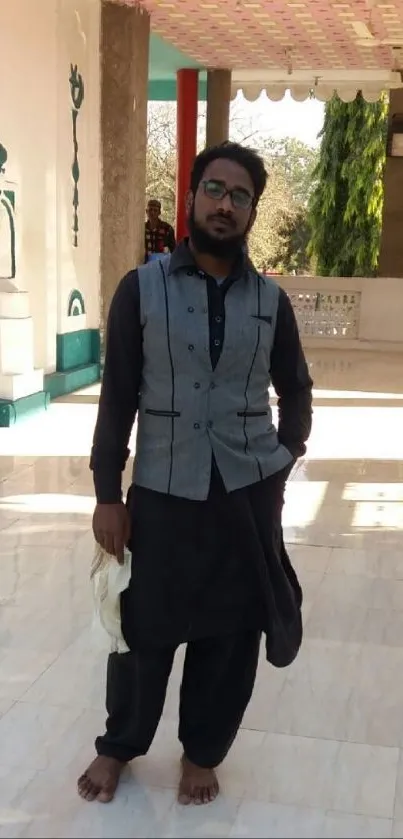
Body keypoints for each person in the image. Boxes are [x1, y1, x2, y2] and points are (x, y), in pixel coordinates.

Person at [78, 142, 313, 807]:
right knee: (143, 626)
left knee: (231, 632)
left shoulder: (270, 299)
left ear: (250, 212)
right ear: (191, 195)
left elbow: (295, 386)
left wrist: (283, 458)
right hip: (161, 489)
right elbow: (118, 394)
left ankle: (202, 750)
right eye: (215, 188)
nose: (224, 204)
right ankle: (119, 742)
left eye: (239, 196)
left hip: (244, 493)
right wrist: (106, 493)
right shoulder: (141, 288)